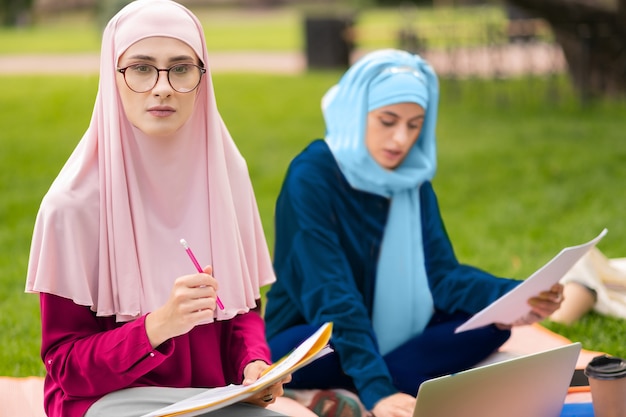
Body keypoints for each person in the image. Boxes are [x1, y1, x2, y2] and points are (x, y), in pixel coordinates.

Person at [24, 1, 317, 416]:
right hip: (110, 403)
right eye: (141, 68)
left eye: (181, 68)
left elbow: (242, 309)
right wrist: (156, 327)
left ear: (202, 78)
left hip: (211, 397)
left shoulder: (226, 175)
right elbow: (66, 367)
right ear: (113, 77)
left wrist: (253, 364)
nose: (162, 86)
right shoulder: (71, 206)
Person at [264, 49, 565, 417]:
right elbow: (331, 296)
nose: (401, 140)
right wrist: (379, 393)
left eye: (414, 124)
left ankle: (356, 389)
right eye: (387, 121)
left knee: (492, 325)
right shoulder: (311, 176)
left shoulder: (411, 178)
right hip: (316, 330)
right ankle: (373, 385)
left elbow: (440, 275)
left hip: (392, 330)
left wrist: (515, 296)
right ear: (356, 112)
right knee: (313, 348)